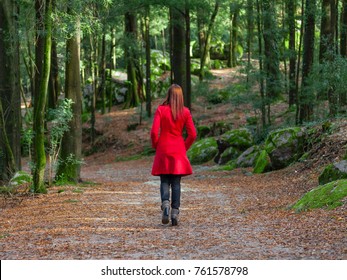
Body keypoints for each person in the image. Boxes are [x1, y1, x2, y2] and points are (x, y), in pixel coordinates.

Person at [150, 84, 197, 226]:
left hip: (163, 148)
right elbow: (193, 134)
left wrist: (156, 145)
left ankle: (165, 204)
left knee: (164, 180)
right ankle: (175, 212)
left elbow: (153, 132)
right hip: (178, 151)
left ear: (169, 95)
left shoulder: (161, 110)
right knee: (176, 182)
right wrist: (184, 147)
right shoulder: (185, 112)